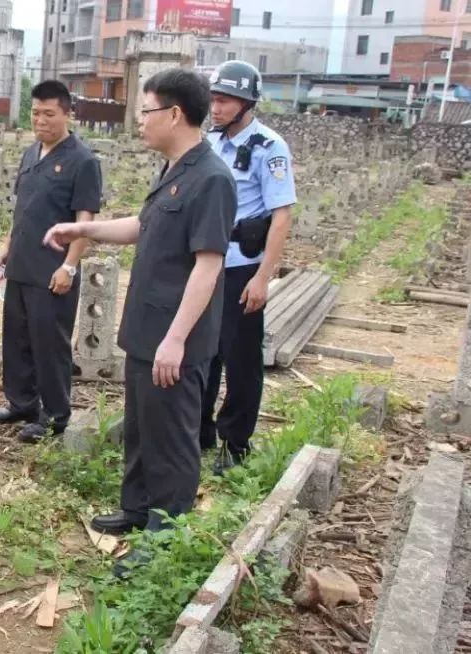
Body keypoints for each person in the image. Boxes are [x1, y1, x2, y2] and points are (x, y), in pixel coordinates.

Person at [44, 69, 236, 572]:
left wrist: (177, 339)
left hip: (175, 338)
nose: (139, 122)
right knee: (142, 425)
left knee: (172, 437)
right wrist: (80, 228)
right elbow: (140, 226)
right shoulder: (174, 169)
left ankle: (164, 538)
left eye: (145, 111)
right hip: (147, 329)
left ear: (174, 114)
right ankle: (137, 508)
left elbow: (209, 265)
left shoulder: (211, 179)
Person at [0, 80, 102, 443]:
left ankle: (54, 415)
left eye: (49, 114)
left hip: (53, 271)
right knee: (17, 339)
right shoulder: (30, 153)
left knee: (49, 345)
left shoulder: (82, 161)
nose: (41, 120)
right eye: (36, 113)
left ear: (67, 113)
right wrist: (4, 252)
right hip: (22, 264)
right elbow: (22, 212)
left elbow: (85, 222)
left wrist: (69, 266)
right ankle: (21, 402)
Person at [203, 60, 296, 474]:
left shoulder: (268, 147)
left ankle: (235, 442)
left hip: (243, 266)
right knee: (202, 352)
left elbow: (282, 215)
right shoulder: (209, 142)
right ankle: (198, 429)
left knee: (240, 358)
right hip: (207, 264)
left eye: (223, 100)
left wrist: (263, 276)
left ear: (245, 103)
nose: (215, 107)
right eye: (213, 99)